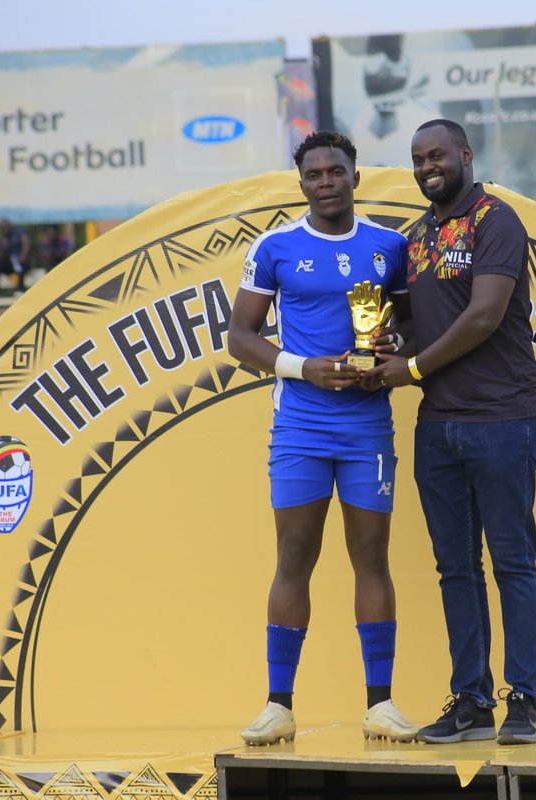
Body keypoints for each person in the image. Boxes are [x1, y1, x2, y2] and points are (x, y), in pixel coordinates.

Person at [226, 131, 417, 746]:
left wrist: (391, 351)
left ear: (357, 177)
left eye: (338, 170)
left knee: (371, 558)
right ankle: (278, 705)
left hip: (368, 424)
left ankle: (380, 704)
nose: (328, 181)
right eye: (316, 173)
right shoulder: (276, 247)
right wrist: (300, 366)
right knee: (294, 557)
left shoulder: (390, 247)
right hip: (301, 426)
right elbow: (240, 336)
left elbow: (412, 333)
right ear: (302, 182)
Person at [368, 119, 536, 746]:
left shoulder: (497, 219)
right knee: (455, 570)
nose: (426, 167)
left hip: (502, 419)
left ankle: (523, 701)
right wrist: (395, 343)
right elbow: (423, 327)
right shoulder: (413, 238)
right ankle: (471, 700)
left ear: (465, 155)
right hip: (438, 423)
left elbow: (483, 316)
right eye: (417, 159)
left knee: (514, 564)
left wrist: (410, 367)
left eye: (436, 155)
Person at [0, 217, 31, 292]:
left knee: (20, 267)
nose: (4, 228)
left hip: (21, 260)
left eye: (5, 226)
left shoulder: (19, 232)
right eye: (2, 227)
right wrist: (3, 245)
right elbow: (1, 255)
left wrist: (22, 257)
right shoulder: (0, 238)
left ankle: (20, 289)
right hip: (9, 263)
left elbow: (26, 243)